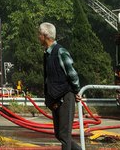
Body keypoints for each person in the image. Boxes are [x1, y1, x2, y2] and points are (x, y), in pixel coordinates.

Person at [39, 22, 82, 150]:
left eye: (39, 34)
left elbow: (72, 73)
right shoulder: (47, 53)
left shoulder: (60, 51)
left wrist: (76, 91)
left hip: (65, 97)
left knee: (64, 135)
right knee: (60, 134)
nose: (38, 37)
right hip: (56, 98)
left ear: (45, 35)